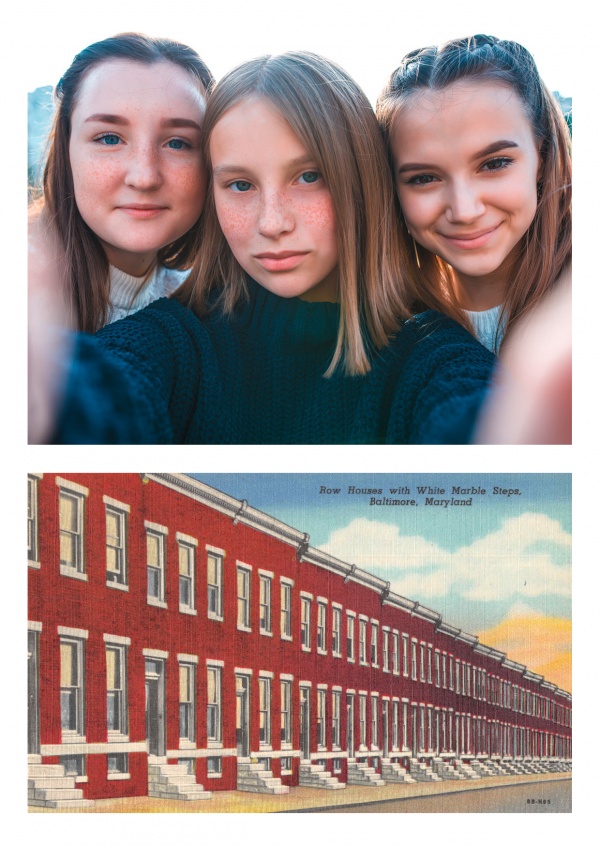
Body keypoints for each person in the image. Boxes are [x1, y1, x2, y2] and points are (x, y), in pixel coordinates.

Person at [33, 51, 495, 445]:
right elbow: (111, 388)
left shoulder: (435, 358)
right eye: (239, 184)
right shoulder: (178, 339)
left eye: (308, 177)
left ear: (361, 181)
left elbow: (478, 420)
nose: (272, 223)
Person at [376, 34, 571, 353]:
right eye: (424, 178)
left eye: (494, 164)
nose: (464, 210)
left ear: (543, 157)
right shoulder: (387, 333)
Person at [29, 32, 214, 332]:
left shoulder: (213, 313)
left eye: (177, 143)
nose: (144, 177)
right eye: (110, 139)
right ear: (67, 150)